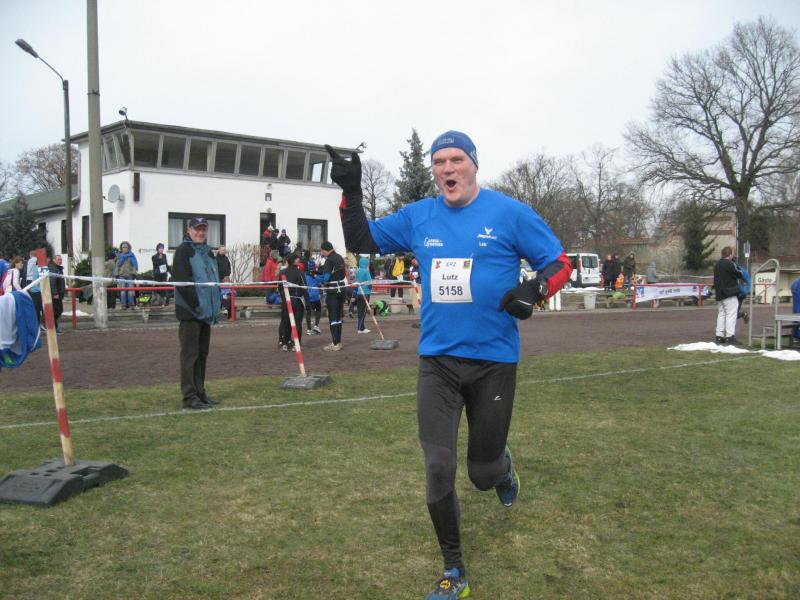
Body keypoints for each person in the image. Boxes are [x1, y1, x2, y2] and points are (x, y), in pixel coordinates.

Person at [326, 130, 572, 599]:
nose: (447, 169)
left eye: (456, 159)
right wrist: (351, 192)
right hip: (438, 362)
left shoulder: (510, 213)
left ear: (474, 165)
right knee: (438, 464)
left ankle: (502, 469)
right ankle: (454, 568)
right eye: (439, 162)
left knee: (481, 474)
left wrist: (535, 289)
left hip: (494, 362)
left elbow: (558, 262)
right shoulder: (419, 216)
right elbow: (360, 238)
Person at [172, 217, 221, 410]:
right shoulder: (183, 251)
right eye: (197, 229)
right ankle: (189, 396)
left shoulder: (208, 252)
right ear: (189, 231)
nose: (200, 233)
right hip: (191, 313)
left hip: (206, 314)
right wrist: (197, 305)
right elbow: (182, 282)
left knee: (202, 355)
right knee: (190, 356)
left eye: (203, 229)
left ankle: (200, 392)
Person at [317, 240, 346, 351]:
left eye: (321, 251)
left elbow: (326, 278)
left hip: (333, 289)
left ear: (325, 250)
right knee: (338, 317)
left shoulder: (329, 260)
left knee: (333, 317)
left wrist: (317, 278)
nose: (321, 253)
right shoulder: (339, 257)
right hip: (342, 288)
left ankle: (335, 343)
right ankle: (338, 342)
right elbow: (343, 273)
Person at [713, 246, 744, 345]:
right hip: (729, 293)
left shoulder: (717, 265)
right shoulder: (730, 264)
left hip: (720, 294)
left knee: (721, 314)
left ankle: (719, 336)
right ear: (730, 255)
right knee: (731, 314)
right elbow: (739, 274)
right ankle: (730, 337)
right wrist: (735, 263)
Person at [277, 253, 306, 351]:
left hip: (286, 300)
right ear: (294, 261)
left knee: (286, 322)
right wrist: (305, 300)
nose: (299, 260)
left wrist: (284, 297)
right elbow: (304, 286)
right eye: (297, 258)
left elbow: (280, 288)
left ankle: (285, 344)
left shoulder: (282, 272)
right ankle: (297, 344)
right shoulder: (299, 272)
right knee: (297, 322)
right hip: (296, 300)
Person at [115, 241, 138, 309]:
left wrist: (134, 274)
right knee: (123, 291)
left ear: (128, 248)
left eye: (126, 247)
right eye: (123, 247)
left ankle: (131, 305)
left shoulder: (131, 256)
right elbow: (117, 266)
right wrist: (116, 274)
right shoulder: (119, 256)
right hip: (121, 275)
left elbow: (134, 265)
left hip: (129, 275)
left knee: (130, 291)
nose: (124, 248)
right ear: (121, 248)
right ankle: (123, 305)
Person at [304, 259, 323, 335]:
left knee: (308, 312)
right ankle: (316, 326)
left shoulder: (305, 275)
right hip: (315, 296)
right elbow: (320, 283)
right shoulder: (316, 275)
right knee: (318, 310)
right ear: (314, 267)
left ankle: (309, 329)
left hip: (308, 296)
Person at [48, 255, 66, 333]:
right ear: (54, 260)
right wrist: (55, 293)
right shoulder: (53, 268)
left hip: (59, 293)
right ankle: (53, 327)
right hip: (55, 294)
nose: (60, 261)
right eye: (58, 259)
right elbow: (52, 281)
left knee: (58, 311)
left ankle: (54, 327)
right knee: (57, 311)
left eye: (61, 259)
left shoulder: (59, 269)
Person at [25, 250, 43, 327]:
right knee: (38, 305)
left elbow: (26, 272)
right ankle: (39, 323)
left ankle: (33, 322)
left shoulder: (29, 261)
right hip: (36, 282)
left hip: (29, 280)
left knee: (31, 303)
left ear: (30, 255)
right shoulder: (38, 261)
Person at [355, 256, 372, 333]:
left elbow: (356, 280)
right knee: (364, 311)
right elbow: (369, 282)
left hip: (359, 292)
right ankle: (360, 328)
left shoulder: (357, 270)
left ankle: (361, 327)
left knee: (360, 311)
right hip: (366, 293)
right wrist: (370, 288)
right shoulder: (366, 271)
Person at [734, 258, 751, 324]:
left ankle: (743, 314)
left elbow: (748, 282)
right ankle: (743, 314)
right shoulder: (725, 269)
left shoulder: (741, 270)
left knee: (733, 315)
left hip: (739, 295)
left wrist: (744, 292)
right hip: (729, 294)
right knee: (729, 315)